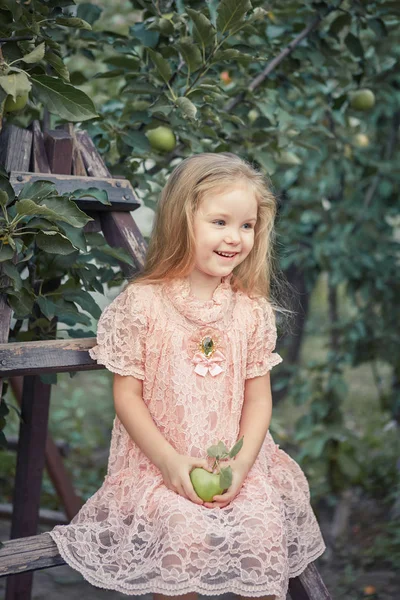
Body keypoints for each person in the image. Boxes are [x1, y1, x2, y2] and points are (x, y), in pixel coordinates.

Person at [49, 152, 326, 600]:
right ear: (182, 220)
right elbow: (128, 398)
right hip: (158, 467)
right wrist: (171, 463)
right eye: (219, 222)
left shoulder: (251, 311)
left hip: (236, 464)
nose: (235, 237)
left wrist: (241, 464)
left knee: (263, 525)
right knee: (182, 530)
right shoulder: (143, 306)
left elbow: (258, 399)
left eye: (247, 225)